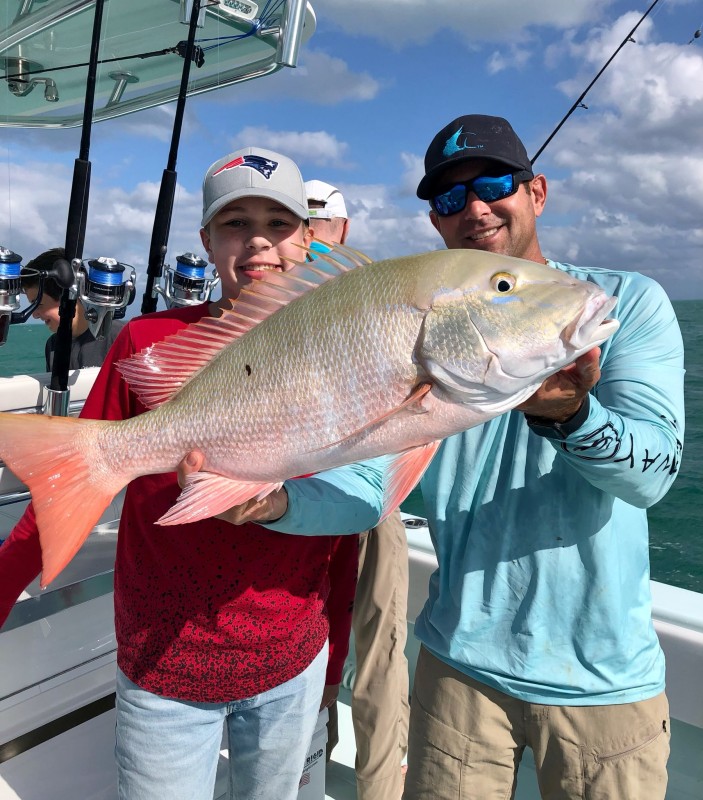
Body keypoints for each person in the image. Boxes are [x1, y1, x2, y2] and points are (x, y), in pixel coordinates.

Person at [201, 115, 684, 799]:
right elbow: (370, 490)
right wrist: (276, 503)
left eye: (493, 185)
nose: (475, 208)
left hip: (601, 682)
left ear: (536, 191)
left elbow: (652, 476)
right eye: (450, 199)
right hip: (456, 668)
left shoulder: (624, 304)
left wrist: (572, 415)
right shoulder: (438, 336)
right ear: (434, 220)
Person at [0, 147, 367, 800]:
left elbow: (340, 524)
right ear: (206, 240)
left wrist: (333, 655)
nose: (257, 241)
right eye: (235, 223)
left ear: (308, 239)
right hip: (162, 658)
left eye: (279, 224)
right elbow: (76, 475)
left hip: (291, 659)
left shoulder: (336, 352)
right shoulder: (145, 342)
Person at [305, 178, 410, 799]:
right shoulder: (270, 292)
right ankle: (311, 769)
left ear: (343, 231)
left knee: (374, 656)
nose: (315, 240)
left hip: (370, 496)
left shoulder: (371, 289)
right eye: (304, 226)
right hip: (293, 490)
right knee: (324, 648)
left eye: (322, 226)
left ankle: (375, 788)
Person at [20, 247, 123, 370]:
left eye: (38, 304)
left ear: (66, 296)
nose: (34, 315)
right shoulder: (52, 345)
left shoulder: (121, 338)